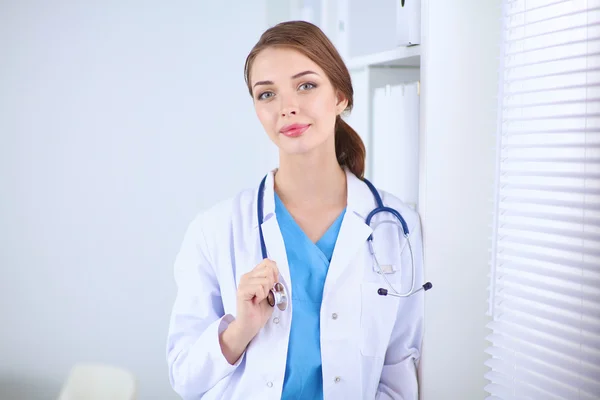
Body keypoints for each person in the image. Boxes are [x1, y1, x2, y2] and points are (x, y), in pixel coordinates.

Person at [166, 20, 424, 400]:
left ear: (339, 96)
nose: (287, 108)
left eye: (306, 85)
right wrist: (241, 329)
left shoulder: (395, 228)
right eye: (266, 94)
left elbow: (399, 366)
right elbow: (184, 376)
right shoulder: (215, 230)